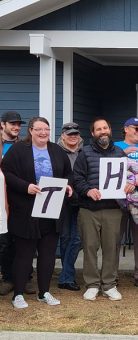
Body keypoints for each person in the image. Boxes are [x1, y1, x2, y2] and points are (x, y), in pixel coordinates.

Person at [2, 116, 73, 309]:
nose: (43, 133)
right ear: (31, 131)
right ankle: (17, 294)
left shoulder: (56, 150)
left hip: (51, 209)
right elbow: (6, 172)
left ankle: (44, 292)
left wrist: (67, 186)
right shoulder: (19, 149)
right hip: (25, 210)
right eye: (39, 129)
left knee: (48, 254)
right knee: (24, 254)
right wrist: (25, 187)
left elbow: (68, 173)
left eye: (46, 130)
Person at [73, 116, 132, 302]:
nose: (103, 131)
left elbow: (130, 177)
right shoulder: (84, 153)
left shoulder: (120, 153)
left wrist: (130, 185)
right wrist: (88, 190)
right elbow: (77, 179)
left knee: (111, 247)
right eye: (98, 129)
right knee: (90, 247)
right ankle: (92, 284)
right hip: (89, 208)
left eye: (105, 128)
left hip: (113, 208)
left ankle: (109, 284)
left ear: (110, 130)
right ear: (93, 133)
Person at [0, 110, 36, 297]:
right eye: (12, 124)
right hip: (2, 200)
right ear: (2, 125)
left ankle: (26, 278)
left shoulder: (25, 145)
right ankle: (8, 279)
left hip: (22, 198)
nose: (16, 127)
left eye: (18, 124)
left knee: (25, 240)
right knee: (5, 242)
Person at [114, 117, 138, 290]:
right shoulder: (115, 147)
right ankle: (111, 275)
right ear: (125, 129)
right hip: (118, 199)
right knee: (114, 238)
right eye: (136, 129)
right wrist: (122, 154)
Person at [57, 122, 83, 291]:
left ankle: (66, 275)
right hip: (62, 201)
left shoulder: (85, 152)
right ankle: (67, 276)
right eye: (69, 133)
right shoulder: (56, 152)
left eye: (75, 133)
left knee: (78, 239)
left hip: (81, 200)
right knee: (65, 237)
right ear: (63, 136)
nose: (73, 136)